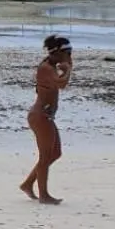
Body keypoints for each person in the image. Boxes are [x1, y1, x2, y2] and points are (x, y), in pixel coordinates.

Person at [18, 35, 72, 204]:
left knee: (55, 153)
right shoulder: (46, 68)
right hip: (41, 116)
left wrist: (67, 67)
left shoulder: (51, 66)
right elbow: (61, 84)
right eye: (68, 53)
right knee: (45, 157)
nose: (69, 57)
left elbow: (59, 83)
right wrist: (68, 69)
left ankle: (28, 184)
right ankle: (44, 195)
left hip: (45, 116)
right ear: (57, 53)